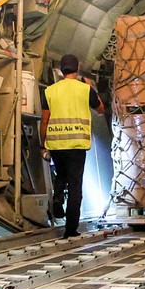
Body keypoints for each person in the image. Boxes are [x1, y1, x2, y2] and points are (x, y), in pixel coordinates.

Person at [40, 53, 105, 237]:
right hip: (76, 145)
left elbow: (44, 121)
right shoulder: (85, 89)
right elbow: (100, 110)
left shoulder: (50, 91)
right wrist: (92, 88)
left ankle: (58, 199)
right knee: (76, 185)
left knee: (61, 175)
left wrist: (42, 145)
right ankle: (70, 229)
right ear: (77, 70)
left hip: (56, 144)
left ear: (61, 70)